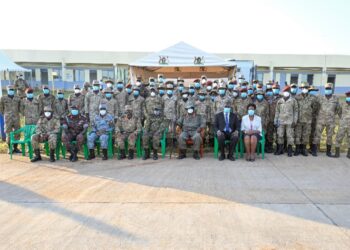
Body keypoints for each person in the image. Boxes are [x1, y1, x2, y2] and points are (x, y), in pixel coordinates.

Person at [312, 83, 341, 157]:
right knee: (317, 135)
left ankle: (328, 151)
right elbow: (315, 108)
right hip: (320, 120)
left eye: (329, 89)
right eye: (326, 89)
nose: (327, 90)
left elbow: (338, 110)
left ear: (332, 89)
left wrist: (341, 118)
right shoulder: (320, 98)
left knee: (329, 136)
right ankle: (314, 150)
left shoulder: (336, 99)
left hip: (330, 121)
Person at [274, 86, 298, 157]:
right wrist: (275, 120)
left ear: (289, 92)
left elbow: (296, 111)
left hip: (290, 121)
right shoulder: (280, 101)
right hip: (281, 121)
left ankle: (289, 150)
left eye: (287, 91)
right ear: (283, 92)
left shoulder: (293, 100)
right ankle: (280, 149)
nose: (286, 92)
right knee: (280, 135)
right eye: (285, 91)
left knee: (289, 136)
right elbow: (277, 111)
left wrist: (295, 121)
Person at [294, 82, 316, 156]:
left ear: (308, 89)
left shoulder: (312, 97)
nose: (304, 89)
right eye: (303, 88)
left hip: (308, 120)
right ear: (301, 89)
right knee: (298, 134)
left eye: (306, 88)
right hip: (299, 120)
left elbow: (315, 108)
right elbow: (294, 108)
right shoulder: (297, 97)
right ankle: (297, 149)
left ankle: (303, 149)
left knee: (306, 135)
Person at [0, 85, 21, 153]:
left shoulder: (17, 98)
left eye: (12, 89)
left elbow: (20, 107)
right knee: (8, 133)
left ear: (14, 90)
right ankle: (10, 148)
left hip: (16, 118)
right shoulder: (3, 98)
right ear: (7, 90)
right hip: (8, 118)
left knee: (17, 132)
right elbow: (1, 108)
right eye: (10, 89)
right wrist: (5, 114)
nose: (11, 91)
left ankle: (15, 147)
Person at [334, 91, 350, 158]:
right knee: (338, 138)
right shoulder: (342, 104)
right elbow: (339, 112)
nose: (349, 97)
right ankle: (337, 153)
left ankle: (349, 153)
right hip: (342, 125)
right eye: (348, 96)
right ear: (346, 97)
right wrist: (343, 119)